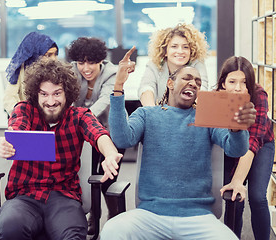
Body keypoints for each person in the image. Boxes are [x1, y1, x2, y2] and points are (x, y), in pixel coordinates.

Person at [100, 47, 257, 240]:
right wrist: (118, 86)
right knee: (111, 231)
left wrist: (237, 127)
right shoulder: (147, 114)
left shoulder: (207, 117)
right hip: (150, 215)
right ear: (170, 83)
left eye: (198, 82)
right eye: (187, 78)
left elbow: (236, 149)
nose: (193, 83)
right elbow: (122, 139)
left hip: (198, 217)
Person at [0, 58, 122, 240]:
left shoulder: (79, 116)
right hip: (24, 196)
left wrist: (109, 153)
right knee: (10, 230)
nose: (51, 101)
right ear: (36, 95)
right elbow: (16, 127)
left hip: (63, 196)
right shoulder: (25, 110)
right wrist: (7, 143)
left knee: (73, 235)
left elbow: (98, 134)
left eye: (57, 94)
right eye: (44, 94)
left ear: (67, 94)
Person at [67, 36, 123, 234]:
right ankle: (93, 215)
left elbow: (103, 102)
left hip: (109, 128)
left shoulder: (112, 73)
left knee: (106, 176)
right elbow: (68, 100)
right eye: (81, 62)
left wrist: (78, 118)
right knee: (84, 174)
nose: (86, 68)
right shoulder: (71, 71)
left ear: (100, 59)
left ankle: (113, 213)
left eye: (91, 62)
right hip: (81, 129)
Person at [217, 56, 275, 240]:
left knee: (257, 197)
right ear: (223, 83)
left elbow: (253, 142)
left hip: (261, 144)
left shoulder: (259, 96)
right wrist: (235, 184)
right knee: (234, 199)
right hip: (232, 145)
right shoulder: (217, 98)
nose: (238, 88)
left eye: (244, 82)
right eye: (232, 81)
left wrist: (238, 180)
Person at [138, 23, 209, 106]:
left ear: (191, 51)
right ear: (165, 51)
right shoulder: (155, 65)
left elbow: (202, 88)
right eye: (174, 46)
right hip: (161, 113)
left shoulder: (197, 63)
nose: (180, 51)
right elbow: (146, 87)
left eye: (185, 47)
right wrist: (152, 113)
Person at [3, 31, 58, 116]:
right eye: (48, 55)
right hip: (27, 116)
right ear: (35, 55)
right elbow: (8, 99)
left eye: (55, 54)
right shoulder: (20, 70)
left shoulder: (58, 71)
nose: (54, 59)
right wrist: (22, 114)